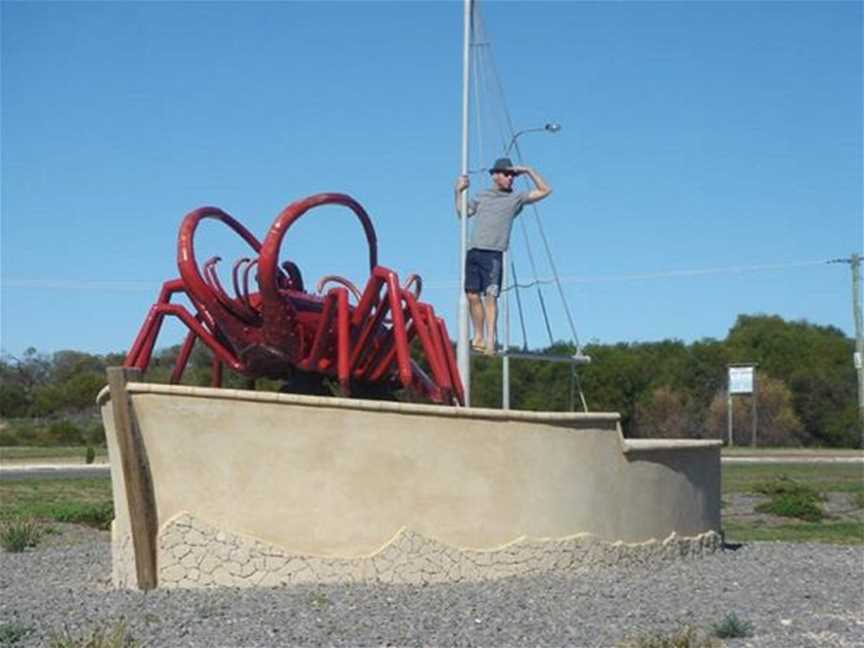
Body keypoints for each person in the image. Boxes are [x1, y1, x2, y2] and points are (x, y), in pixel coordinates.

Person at [454, 157, 552, 355]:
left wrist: (528, 170)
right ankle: (478, 336)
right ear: (495, 175)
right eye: (507, 174)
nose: (510, 178)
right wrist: (458, 191)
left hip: (494, 253)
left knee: (490, 295)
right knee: (472, 295)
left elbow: (545, 190)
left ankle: (491, 339)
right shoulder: (482, 196)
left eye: (512, 175)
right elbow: (462, 213)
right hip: (474, 250)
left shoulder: (516, 198)